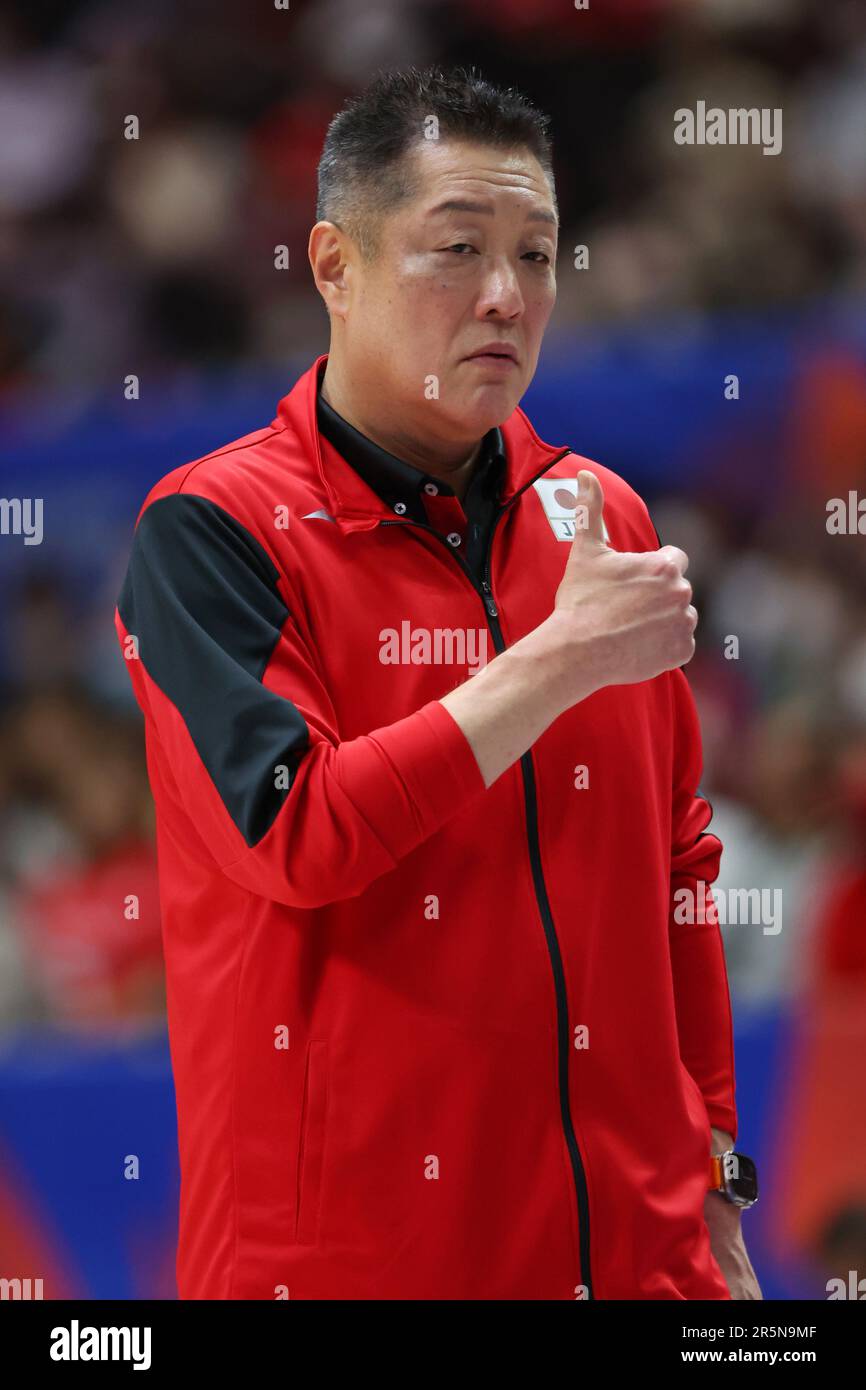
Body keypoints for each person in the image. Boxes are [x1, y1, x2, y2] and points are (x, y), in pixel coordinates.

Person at [115, 65, 761, 1300]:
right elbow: (298, 831)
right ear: (333, 266)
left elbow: (677, 864)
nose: (506, 297)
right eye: (455, 249)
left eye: (538, 253)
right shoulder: (211, 530)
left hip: (636, 1259)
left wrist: (716, 1172)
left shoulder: (598, 515)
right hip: (350, 1268)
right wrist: (556, 661)